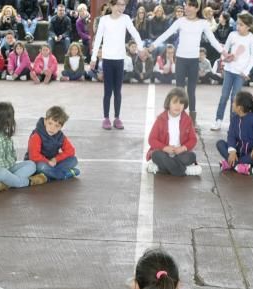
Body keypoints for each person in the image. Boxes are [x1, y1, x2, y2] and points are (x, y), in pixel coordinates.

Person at [149, 0, 223, 121]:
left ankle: (192, 118)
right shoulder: (180, 21)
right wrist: (152, 45)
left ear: (196, 8)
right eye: (187, 5)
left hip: (194, 61)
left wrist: (224, 52)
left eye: (190, 6)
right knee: (179, 89)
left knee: (191, 90)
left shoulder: (203, 23)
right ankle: (179, 116)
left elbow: (213, 41)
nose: (187, 8)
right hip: (181, 60)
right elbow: (166, 34)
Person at [89, 0, 142, 130]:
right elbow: (98, 39)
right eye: (118, 4)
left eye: (123, 5)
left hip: (119, 60)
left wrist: (140, 48)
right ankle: (106, 118)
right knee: (108, 91)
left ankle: (117, 117)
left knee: (117, 91)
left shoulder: (126, 19)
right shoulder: (104, 20)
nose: (121, 7)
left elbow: (135, 33)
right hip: (107, 59)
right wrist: (93, 57)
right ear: (112, 5)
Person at [0, 101, 45, 190]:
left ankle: (5, 184)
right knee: (2, 173)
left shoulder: (7, 136)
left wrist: (8, 163)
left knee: (31, 165)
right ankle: (28, 182)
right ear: (5, 119)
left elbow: (13, 156)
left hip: (9, 168)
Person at [216, 90, 253, 174]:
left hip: (248, 154)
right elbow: (231, 136)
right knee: (220, 143)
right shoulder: (234, 119)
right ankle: (238, 166)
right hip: (236, 153)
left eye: (234, 102)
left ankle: (231, 163)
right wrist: (232, 151)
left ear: (239, 107)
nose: (232, 104)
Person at [146, 87, 201, 176]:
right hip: (165, 152)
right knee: (155, 155)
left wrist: (182, 148)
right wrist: (165, 148)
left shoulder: (187, 119)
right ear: (168, 103)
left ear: (184, 105)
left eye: (181, 103)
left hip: (180, 153)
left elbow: (193, 139)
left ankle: (161, 168)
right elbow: (151, 139)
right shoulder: (161, 119)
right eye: (175, 102)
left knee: (192, 156)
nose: (178, 106)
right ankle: (183, 171)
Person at [28, 105, 80, 181]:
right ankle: (63, 175)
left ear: (61, 127)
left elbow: (71, 151)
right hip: (39, 162)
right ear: (45, 121)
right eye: (50, 123)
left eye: (57, 126)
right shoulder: (37, 135)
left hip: (53, 162)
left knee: (74, 160)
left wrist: (56, 159)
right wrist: (48, 162)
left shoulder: (60, 136)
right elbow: (34, 156)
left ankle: (48, 176)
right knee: (41, 167)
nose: (52, 128)